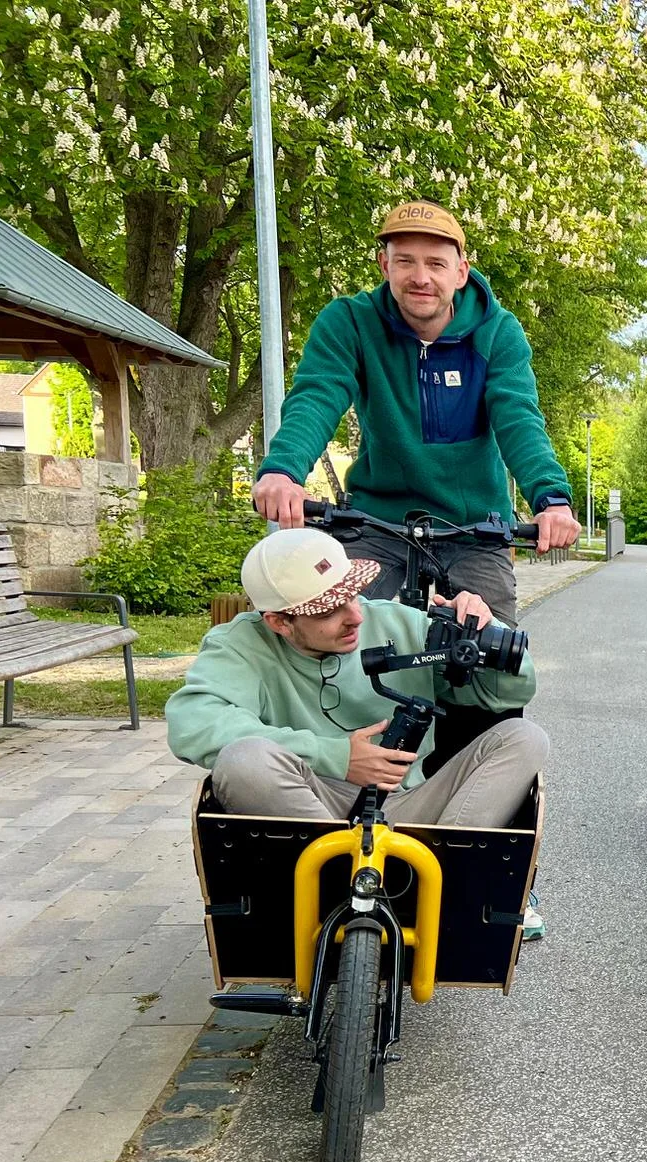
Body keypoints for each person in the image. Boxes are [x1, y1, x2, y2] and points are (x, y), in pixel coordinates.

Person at [250, 199, 575, 934]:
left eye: (436, 262)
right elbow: (317, 397)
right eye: (405, 260)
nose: (420, 276)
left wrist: (550, 497)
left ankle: (489, 857)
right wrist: (284, 470)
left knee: (487, 664)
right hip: (377, 519)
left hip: (474, 528)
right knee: (338, 630)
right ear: (384, 264)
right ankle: (331, 822)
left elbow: (518, 415)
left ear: (461, 269)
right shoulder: (350, 322)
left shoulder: (496, 332)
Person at [166, 528, 546, 830]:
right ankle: (340, 877)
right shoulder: (241, 644)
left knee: (524, 738)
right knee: (243, 760)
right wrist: (338, 757)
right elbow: (193, 725)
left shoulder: (396, 622)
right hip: (307, 802)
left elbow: (510, 693)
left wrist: (484, 630)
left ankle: (446, 875)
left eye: (353, 594)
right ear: (280, 622)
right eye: (330, 610)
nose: (356, 617)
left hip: (406, 803)